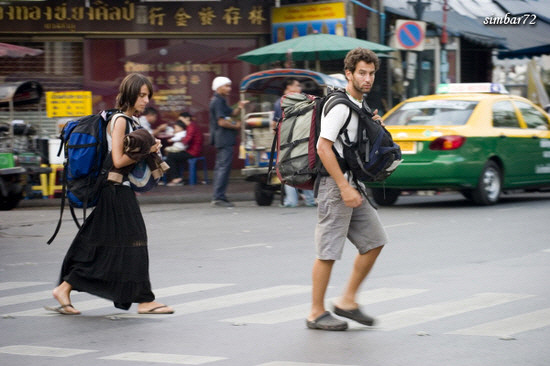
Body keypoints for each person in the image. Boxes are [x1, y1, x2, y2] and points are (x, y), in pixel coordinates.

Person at [46, 73, 174, 315]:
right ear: (130, 94)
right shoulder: (120, 121)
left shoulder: (130, 121)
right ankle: (145, 301)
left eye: (148, 96)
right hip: (114, 190)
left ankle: (64, 287)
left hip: (118, 190)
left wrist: (149, 149)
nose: (146, 100)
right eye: (142, 95)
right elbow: (117, 159)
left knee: (99, 244)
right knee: (135, 241)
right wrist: (146, 149)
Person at [306, 48, 387, 331]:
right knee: (327, 251)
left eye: (371, 73)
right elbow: (323, 147)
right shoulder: (340, 105)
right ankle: (315, 313)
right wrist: (343, 186)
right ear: (348, 74)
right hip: (335, 185)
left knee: (375, 240)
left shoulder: (360, 105)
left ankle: (347, 301)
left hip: (353, 185)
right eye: (361, 73)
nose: (367, 79)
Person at [273, 77, 316, 208]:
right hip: (288, 142)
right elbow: (276, 124)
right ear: (288, 88)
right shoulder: (281, 103)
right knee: (290, 169)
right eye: (297, 86)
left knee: (303, 167)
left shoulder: (302, 101)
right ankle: (293, 200)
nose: (300, 88)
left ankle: (309, 199)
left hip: (300, 140)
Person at [209, 76, 248, 207]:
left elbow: (231, 113)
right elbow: (222, 121)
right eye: (226, 86)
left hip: (224, 139)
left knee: (221, 168)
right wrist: (236, 125)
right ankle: (218, 197)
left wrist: (240, 107)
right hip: (223, 139)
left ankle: (220, 196)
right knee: (223, 168)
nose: (229, 89)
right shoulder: (217, 101)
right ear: (219, 87)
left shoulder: (221, 100)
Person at [165, 112, 203, 186]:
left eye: (181, 119)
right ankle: (178, 178)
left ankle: (176, 179)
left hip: (192, 152)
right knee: (172, 156)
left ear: (187, 118)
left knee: (170, 157)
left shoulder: (191, 127)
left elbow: (186, 141)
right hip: (190, 150)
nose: (181, 122)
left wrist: (177, 138)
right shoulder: (191, 126)